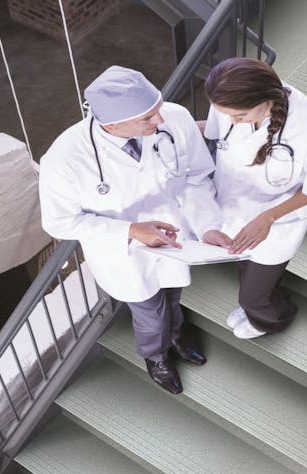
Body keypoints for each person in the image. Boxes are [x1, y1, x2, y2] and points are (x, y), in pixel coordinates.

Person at [39, 65, 231, 394]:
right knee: (150, 313)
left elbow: (196, 178)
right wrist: (130, 230)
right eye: (147, 118)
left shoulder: (174, 118)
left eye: (157, 109)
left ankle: (177, 337)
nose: (159, 121)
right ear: (111, 124)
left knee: (172, 297)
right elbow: (58, 222)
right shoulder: (64, 159)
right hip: (125, 256)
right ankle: (156, 357)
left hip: (176, 241)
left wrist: (208, 226)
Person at [203, 57, 307, 339]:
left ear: (265, 99)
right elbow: (220, 133)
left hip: (278, 220)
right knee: (245, 265)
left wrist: (268, 217)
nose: (232, 121)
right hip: (234, 206)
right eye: (226, 114)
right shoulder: (229, 101)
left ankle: (272, 319)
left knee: (253, 296)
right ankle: (256, 305)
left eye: (239, 116)